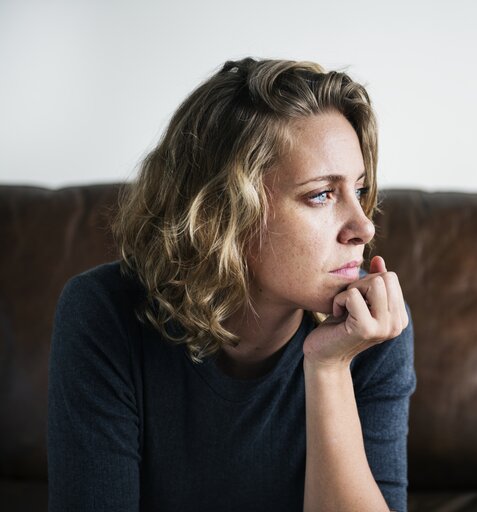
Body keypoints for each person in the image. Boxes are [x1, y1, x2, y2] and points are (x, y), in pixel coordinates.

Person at [48, 57, 416, 512]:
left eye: (358, 190)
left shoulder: (372, 328)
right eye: (321, 194)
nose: (363, 227)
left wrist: (328, 369)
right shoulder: (104, 313)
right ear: (223, 213)